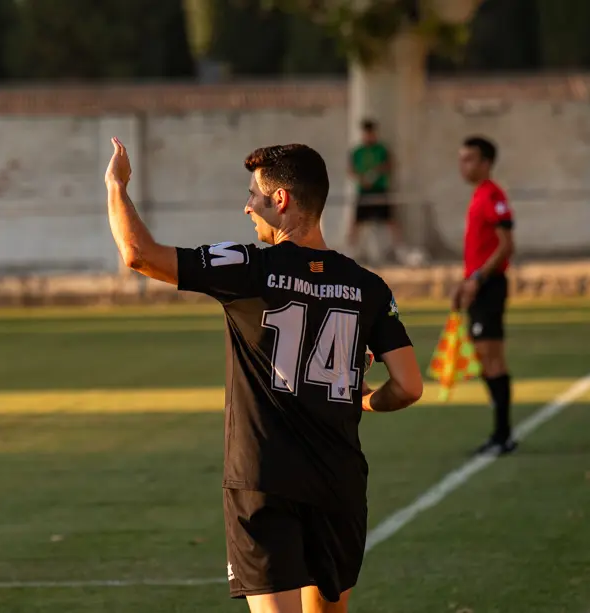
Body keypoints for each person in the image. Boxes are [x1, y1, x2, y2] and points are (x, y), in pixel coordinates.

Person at [104, 138, 423, 613]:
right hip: (338, 480)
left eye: (254, 194)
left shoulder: (251, 267)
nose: (246, 205)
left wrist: (116, 187)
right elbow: (409, 386)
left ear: (281, 200)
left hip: (264, 479)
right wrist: (363, 400)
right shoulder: (368, 287)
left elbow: (137, 253)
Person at [454, 136, 517, 455]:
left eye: (469, 159)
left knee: (492, 357)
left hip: (490, 286)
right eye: (461, 159)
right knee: (483, 357)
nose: (463, 165)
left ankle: (503, 434)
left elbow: (506, 245)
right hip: (478, 285)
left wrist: (477, 278)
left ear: (485, 163)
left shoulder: (493, 195)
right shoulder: (479, 195)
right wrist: (465, 281)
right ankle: (501, 433)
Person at [346, 119, 403, 261]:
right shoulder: (357, 151)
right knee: (356, 221)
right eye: (366, 133)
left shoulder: (382, 149)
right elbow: (351, 169)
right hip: (364, 190)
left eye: (371, 133)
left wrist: (377, 173)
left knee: (391, 219)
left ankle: (399, 249)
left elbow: (390, 165)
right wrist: (362, 179)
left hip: (380, 189)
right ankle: (351, 250)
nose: (369, 136)